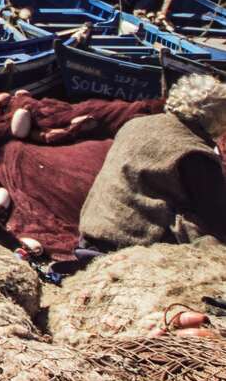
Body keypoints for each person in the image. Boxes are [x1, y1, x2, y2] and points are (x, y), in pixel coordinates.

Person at [78, 73, 226, 253]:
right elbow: (216, 216)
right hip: (134, 246)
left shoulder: (135, 125)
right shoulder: (193, 151)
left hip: (92, 232)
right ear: (217, 117)